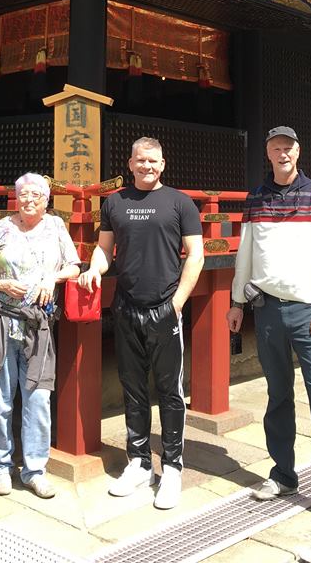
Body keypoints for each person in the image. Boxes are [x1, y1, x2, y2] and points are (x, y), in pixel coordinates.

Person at [226, 126, 311, 536]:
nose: (282, 154)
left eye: (288, 148)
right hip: (266, 311)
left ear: (298, 152)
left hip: (308, 313)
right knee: (277, 395)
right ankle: (283, 474)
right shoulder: (256, 198)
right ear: (267, 154)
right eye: (275, 148)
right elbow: (245, 252)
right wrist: (236, 302)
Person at [79, 137, 204, 510]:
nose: (147, 166)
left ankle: (173, 468)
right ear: (130, 163)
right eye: (140, 161)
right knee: (132, 388)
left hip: (165, 308)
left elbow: (195, 255)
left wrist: (177, 304)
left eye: (153, 161)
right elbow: (104, 249)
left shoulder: (180, 203)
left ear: (163, 164)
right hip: (127, 307)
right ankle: (139, 462)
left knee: (169, 391)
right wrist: (94, 269)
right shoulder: (115, 202)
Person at [0, 172, 80, 499]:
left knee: (38, 399)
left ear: (47, 199)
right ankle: (0, 466)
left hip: (38, 325)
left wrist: (52, 278)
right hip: (3, 321)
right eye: (24, 194)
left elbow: (74, 265)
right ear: (17, 198)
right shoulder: (1, 228)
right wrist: (1, 284)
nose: (30, 200)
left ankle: (35, 469)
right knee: (1, 399)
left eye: (37, 195)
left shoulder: (56, 227)